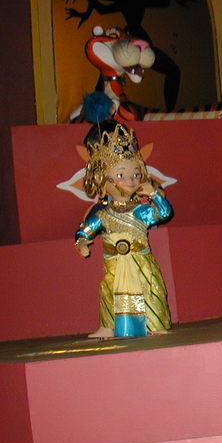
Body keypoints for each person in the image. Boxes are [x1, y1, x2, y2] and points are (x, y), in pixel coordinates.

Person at [75, 123, 172, 337]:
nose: (130, 180)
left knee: (149, 288)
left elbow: (164, 213)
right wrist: (81, 241)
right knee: (110, 292)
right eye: (121, 176)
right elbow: (85, 230)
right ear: (102, 179)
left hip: (140, 261)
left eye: (136, 175)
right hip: (114, 264)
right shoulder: (102, 213)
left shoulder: (141, 210)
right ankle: (108, 327)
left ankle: (154, 324)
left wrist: (154, 194)